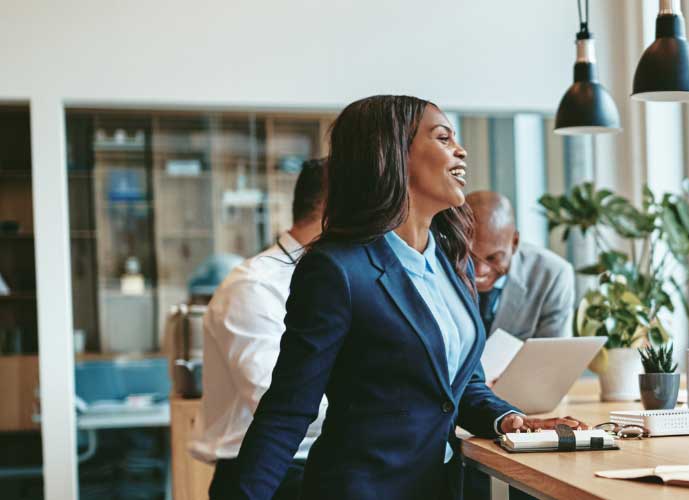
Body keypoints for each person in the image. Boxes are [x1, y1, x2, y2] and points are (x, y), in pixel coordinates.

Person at [217, 95, 584, 500]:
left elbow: (460, 386)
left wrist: (508, 419)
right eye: (443, 138)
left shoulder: (450, 262)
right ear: (394, 154)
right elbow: (287, 410)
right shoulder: (337, 269)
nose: (460, 151)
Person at [193, 158, 329, 500]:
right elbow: (278, 402)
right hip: (265, 476)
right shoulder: (254, 286)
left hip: (316, 467)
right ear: (332, 210)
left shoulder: (332, 279)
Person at [465, 191, 575, 341]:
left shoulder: (552, 275)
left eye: (493, 258)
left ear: (515, 242)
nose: (479, 270)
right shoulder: (436, 269)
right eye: (470, 257)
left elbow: (555, 357)